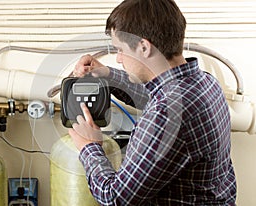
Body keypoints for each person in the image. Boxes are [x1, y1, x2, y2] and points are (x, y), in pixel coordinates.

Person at [68, 0, 237, 205]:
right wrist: (108, 75)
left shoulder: (167, 114)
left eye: (120, 49)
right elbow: (154, 95)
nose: (119, 59)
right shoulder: (205, 83)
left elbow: (116, 198)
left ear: (144, 47)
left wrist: (90, 146)